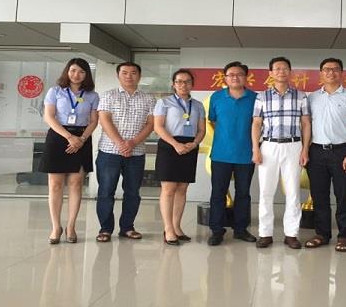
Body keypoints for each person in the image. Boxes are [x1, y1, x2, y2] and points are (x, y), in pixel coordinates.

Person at [305, 58, 346, 252]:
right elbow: (306, 126)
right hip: (316, 152)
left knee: (343, 196)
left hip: (342, 151)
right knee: (319, 195)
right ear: (321, 73)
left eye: (335, 69)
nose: (331, 72)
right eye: (326, 69)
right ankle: (322, 234)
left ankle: (345, 236)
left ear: (341, 73)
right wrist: (305, 150)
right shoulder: (312, 98)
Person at [251, 57, 311, 249]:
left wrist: (305, 149)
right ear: (270, 73)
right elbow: (257, 123)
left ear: (290, 72)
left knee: (293, 192)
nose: (281, 71)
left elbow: (306, 123)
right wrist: (255, 148)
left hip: (294, 146)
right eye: (277, 69)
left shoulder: (301, 96)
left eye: (284, 68)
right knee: (266, 192)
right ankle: (265, 234)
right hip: (268, 146)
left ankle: (291, 234)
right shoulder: (262, 97)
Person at [40, 58, 99, 244]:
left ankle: (71, 226)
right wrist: (69, 137)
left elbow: (94, 121)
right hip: (58, 137)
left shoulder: (92, 95)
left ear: (86, 75)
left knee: (76, 183)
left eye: (81, 72)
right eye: (73, 70)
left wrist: (81, 139)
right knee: (55, 184)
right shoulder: (55, 91)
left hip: (82, 139)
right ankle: (56, 227)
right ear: (67, 71)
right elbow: (49, 117)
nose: (76, 75)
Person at [95, 62, 155, 242]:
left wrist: (133, 143)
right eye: (125, 73)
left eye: (133, 73)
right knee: (106, 191)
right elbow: (104, 120)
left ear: (139, 76)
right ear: (118, 75)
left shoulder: (149, 98)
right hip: (109, 151)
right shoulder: (108, 95)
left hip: (136, 153)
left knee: (132, 192)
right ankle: (105, 229)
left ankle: (127, 227)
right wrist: (121, 144)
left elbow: (151, 124)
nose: (129, 76)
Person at [207, 61, 258, 246]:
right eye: (230, 75)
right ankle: (217, 230)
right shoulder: (216, 97)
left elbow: (258, 124)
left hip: (246, 154)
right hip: (221, 154)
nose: (235, 77)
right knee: (218, 193)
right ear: (225, 78)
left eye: (239, 74)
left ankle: (240, 229)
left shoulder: (255, 98)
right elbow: (213, 121)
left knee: (243, 193)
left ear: (246, 77)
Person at [154, 69, 206, 245]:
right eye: (179, 81)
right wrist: (175, 144)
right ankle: (168, 229)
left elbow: (201, 129)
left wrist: (195, 143)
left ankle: (177, 227)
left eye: (187, 81)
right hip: (169, 145)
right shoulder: (164, 102)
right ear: (173, 84)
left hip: (189, 146)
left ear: (192, 84)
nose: (183, 85)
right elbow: (158, 127)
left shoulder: (198, 105)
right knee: (168, 189)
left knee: (182, 188)